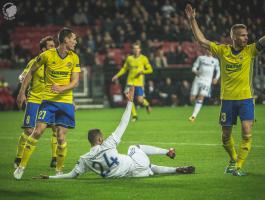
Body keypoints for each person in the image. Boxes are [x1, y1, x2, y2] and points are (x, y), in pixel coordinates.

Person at [185, 4, 265, 176]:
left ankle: (239, 166)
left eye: (247, 35)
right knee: (225, 137)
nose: (246, 38)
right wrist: (192, 20)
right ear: (233, 37)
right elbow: (201, 41)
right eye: (242, 35)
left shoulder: (250, 51)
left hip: (246, 98)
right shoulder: (222, 50)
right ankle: (233, 159)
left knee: (247, 132)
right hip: (227, 100)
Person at [33, 87, 195, 180]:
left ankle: (176, 169)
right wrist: (130, 102)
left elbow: (71, 175)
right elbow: (123, 123)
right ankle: (167, 152)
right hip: (135, 166)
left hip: (132, 175)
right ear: (100, 139)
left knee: (150, 167)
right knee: (134, 147)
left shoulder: (84, 159)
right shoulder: (108, 143)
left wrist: (51, 177)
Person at [14, 27, 81, 179]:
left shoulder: (74, 58)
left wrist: (61, 88)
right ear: (65, 40)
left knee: (61, 137)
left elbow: (76, 82)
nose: (75, 42)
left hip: (65, 102)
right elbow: (30, 71)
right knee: (37, 131)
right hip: (48, 101)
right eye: (73, 39)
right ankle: (21, 166)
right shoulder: (46, 56)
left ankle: (59, 170)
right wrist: (21, 92)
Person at [14, 36, 58, 169]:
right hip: (34, 99)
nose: (54, 48)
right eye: (50, 46)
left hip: (49, 100)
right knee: (29, 131)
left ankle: (55, 158)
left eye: (54, 45)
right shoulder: (34, 62)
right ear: (43, 49)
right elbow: (23, 75)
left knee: (56, 128)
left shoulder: (56, 62)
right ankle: (19, 157)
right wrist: (22, 91)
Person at [112, 42, 153, 121]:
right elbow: (124, 69)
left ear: (140, 49)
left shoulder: (144, 58)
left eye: (137, 48)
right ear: (132, 50)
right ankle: (134, 115)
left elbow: (150, 70)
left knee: (140, 100)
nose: (136, 50)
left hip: (139, 83)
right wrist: (117, 75)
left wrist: (142, 72)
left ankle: (147, 104)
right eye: (134, 48)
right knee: (129, 99)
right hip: (130, 81)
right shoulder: (129, 59)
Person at [189, 49, 220, 122]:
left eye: (211, 50)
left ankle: (193, 116)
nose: (209, 51)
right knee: (192, 99)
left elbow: (218, 70)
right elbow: (194, 67)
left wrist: (216, 78)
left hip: (207, 81)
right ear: (206, 50)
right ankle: (196, 105)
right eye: (208, 50)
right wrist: (195, 71)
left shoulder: (215, 60)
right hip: (198, 79)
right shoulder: (201, 58)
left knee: (201, 96)